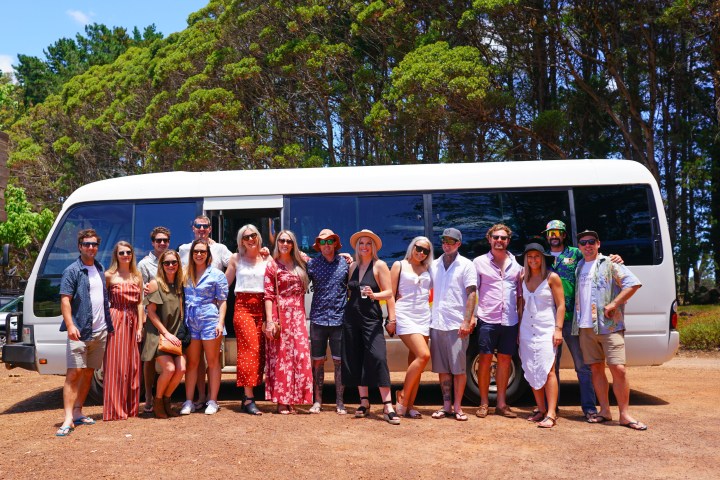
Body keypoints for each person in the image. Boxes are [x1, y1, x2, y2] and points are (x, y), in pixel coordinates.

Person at [544, 219, 623, 420]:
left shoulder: (576, 253)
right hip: (547, 318)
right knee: (551, 366)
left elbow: (595, 258)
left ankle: (589, 408)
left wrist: (615, 257)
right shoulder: (541, 256)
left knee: (583, 366)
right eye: (550, 233)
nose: (554, 236)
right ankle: (552, 408)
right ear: (547, 236)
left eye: (557, 232)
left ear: (563, 235)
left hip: (573, 318)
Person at [573, 230, 646, 430]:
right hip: (586, 327)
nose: (587, 245)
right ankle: (604, 411)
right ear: (579, 246)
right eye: (583, 242)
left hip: (609, 326)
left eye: (591, 242)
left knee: (619, 369)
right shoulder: (579, 266)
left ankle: (624, 415)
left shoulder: (611, 263)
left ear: (598, 244)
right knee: (596, 369)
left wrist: (614, 304)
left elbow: (633, 284)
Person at [56, 229, 114, 436]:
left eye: (94, 244)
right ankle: (68, 418)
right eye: (87, 244)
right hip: (79, 331)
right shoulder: (72, 271)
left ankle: (79, 411)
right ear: (80, 246)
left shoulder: (99, 268)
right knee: (74, 373)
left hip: (99, 332)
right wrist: (70, 325)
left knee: (89, 371)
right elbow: (65, 300)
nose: (91, 247)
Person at [342, 229, 400, 425]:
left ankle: (388, 405)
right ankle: (364, 403)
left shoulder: (380, 265)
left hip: (371, 318)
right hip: (352, 318)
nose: (364, 246)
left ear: (373, 247)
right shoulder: (353, 266)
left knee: (378, 357)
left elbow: (389, 292)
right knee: (357, 357)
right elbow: (350, 292)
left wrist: (389, 316)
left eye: (368, 243)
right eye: (361, 243)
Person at [178, 215, 231, 409]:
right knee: (192, 363)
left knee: (213, 362)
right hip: (191, 321)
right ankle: (189, 401)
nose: (199, 254)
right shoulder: (185, 273)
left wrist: (220, 323)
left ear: (208, 254)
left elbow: (223, 301)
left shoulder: (216, 274)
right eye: (196, 252)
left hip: (210, 319)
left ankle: (212, 400)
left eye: (202, 252)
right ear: (192, 253)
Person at [473, 223, 523, 419]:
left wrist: (520, 321)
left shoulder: (517, 264)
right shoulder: (478, 262)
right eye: (496, 237)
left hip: (510, 320)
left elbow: (519, 295)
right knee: (484, 360)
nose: (499, 241)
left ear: (508, 241)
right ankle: (484, 403)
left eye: (503, 238)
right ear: (489, 239)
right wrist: (471, 317)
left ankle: (501, 404)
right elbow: (472, 292)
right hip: (487, 318)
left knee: (505, 360)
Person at [428, 228, 477, 421]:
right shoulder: (434, 265)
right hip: (437, 323)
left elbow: (472, 293)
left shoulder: (466, 265)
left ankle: (458, 406)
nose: (446, 244)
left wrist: (467, 320)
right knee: (443, 369)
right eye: (444, 240)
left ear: (458, 244)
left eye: (451, 241)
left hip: (457, 325)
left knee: (459, 369)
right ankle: (446, 405)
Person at [263, 230, 313, 414]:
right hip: (280, 315)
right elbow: (268, 295)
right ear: (277, 243)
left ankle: (293, 398)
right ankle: (281, 400)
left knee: (299, 356)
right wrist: (269, 321)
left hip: (298, 315)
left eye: (289, 241)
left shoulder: (302, 262)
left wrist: (345, 256)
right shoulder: (272, 266)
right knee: (282, 358)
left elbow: (324, 260)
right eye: (281, 240)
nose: (285, 243)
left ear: (293, 244)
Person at [517, 243, 565, 428]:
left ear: (543, 258)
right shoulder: (523, 277)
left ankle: (552, 413)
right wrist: (519, 329)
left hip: (546, 328)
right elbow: (521, 305)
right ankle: (541, 408)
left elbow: (560, 305)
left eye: (537, 256)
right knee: (531, 368)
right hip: (527, 329)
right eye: (530, 257)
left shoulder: (552, 278)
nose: (533, 260)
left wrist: (558, 329)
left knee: (548, 370)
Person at [224, 224, 269, 415]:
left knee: (260, 351)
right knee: (249, 349)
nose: (251, 239)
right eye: (246, 236)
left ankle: (248, 396)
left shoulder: (267, 257)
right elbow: (224, 284)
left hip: (263, 305)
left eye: (254, 235)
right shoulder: (236, 258)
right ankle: (249, 397)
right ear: (241, 240)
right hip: (243, 306)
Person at [390, 236, 433, 419]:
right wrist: (391, 319)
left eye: (425, 251)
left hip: (423, 315)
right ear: (412, 247)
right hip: (405, 314)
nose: (421, 252)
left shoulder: (428, 268)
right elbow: (390, 294)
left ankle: (410, 404)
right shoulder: (399, 265)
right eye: (418, 248)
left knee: (416, 361)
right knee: (424, 355)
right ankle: (403, 398)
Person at [306, 229, 349, 415]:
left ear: (336, 243)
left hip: (340, 319)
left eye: (330, 241)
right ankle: (318, 401)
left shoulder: (345, 263)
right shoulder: (313, 265)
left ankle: (340, 402)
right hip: (318, 318)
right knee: (317, 362)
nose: (326, 245)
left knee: (340, 362)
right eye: (322, 243)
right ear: (318, 246)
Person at [142, 249, 187, 419]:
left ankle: (166, 401)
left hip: (176, 334)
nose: (170, 265)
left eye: (174, 262)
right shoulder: (155, 284)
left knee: (181, 368)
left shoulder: (180, 284)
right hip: (159, 334)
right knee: (169, 369)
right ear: (161, 265)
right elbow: (151, 313)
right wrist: (166, 333)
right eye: (166, 263)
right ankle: (158, 401)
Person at [103, 241, 144, 421]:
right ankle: (114, 410)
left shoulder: (137, 276)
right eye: (122, 253)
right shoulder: (109, 276)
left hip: (133, 320)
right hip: (116, 318)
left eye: (128, 252)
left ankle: (130, 408)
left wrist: (140, 326)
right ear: (116, 255)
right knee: (116, 365)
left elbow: (141, 302)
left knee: (133, 365)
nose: (126, 255)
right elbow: (103, 302)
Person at [137, 226, 171, 414]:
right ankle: (149, 397)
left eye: (165, 240)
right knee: (149, 359)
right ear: (153, 243)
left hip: (169, 316)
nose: (162, 243)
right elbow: (142, 294)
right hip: (151, 315)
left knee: (171, 355)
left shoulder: (172, 261)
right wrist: (142, 320)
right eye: (158, 240)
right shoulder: (144, 265)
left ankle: (166, 396)